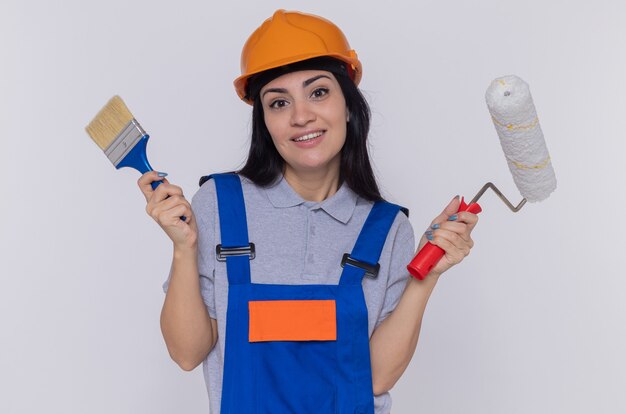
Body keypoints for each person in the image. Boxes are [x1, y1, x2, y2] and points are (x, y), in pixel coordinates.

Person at [137, 9, 478, 414]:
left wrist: (427, 277)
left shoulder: (386, 228)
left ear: (348, 105)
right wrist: (184, 248)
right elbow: (186, 353)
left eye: (318, 92)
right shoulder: (218, 205)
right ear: (264, 121)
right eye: (278, 102)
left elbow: (377, 377)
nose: (301, 116)